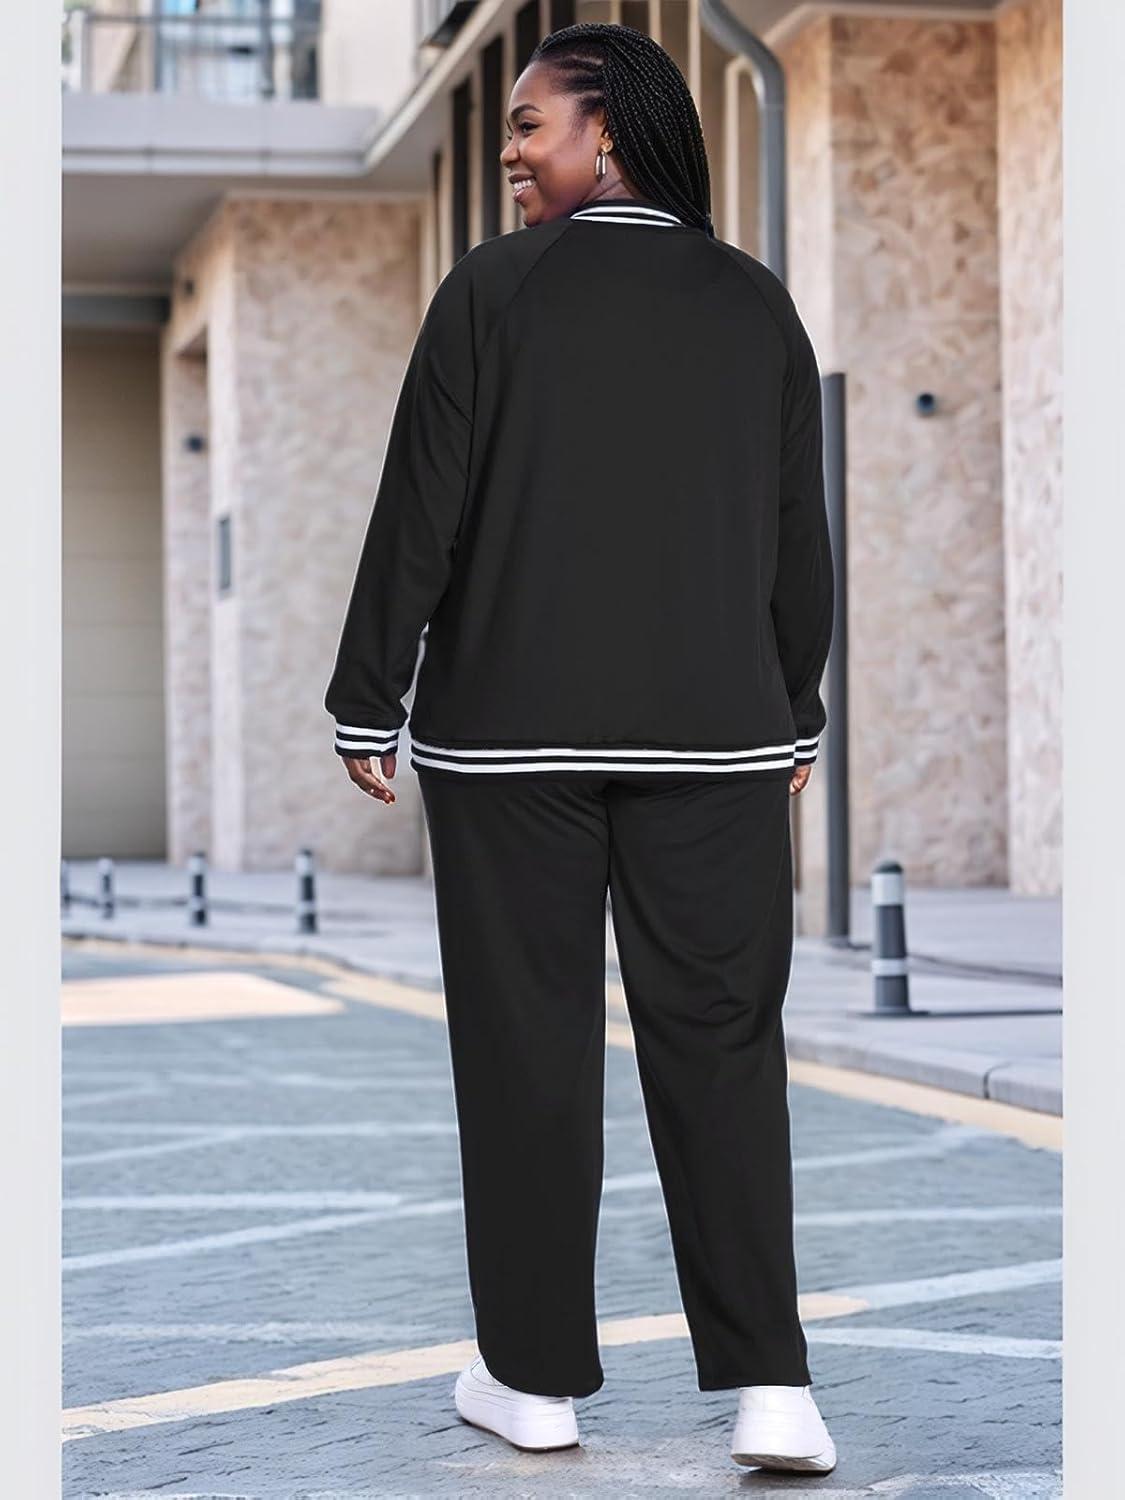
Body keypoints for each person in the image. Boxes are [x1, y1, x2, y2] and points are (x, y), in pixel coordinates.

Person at [323, 20, 836, 1475]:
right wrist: (791, 707)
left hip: (507, 749)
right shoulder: (756, 307)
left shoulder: (491, 294)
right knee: (723, 1051)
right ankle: (774, 1390)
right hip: (717, 749)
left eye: (529, 125)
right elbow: (793, 539)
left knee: (526, 1054)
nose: (509, 153)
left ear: (607, 132)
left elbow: (420, 510)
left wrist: (368, 696)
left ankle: (533, 1383)